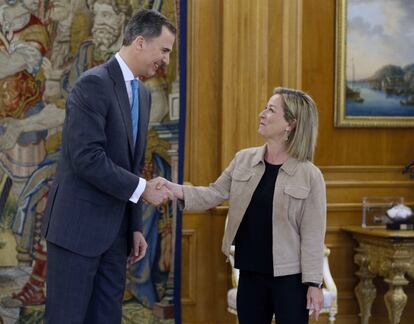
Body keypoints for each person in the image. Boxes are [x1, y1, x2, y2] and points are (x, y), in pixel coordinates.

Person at [41, 9, 176, 324]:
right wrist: (143, 190)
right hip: (76, 232)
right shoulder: (92, 84)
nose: (167, 60)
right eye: (165, 50)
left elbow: (129, 163)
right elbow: (87, 157)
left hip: (116, 236)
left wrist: (134, 227)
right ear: (141, 42)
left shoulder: (141, 94)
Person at [164, 87, 326, 324]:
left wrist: (314, 284)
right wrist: (173, 189)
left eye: (271, 110)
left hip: (290, 280)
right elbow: (213, 193)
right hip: (250, 273)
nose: (262, 114)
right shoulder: (244, 159)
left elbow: (313, 235)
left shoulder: (310, 175)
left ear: (290, 124)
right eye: (265, 108)